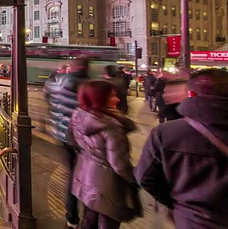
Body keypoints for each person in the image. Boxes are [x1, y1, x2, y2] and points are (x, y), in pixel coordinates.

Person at [136, 69, 228, 228]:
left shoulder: (166, 133)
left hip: (192, 220)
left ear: (190, 94)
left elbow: (146, 178)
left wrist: (176, 203)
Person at [68, 80, 142, 228]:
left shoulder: (78, 117)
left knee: (89, 220)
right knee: (108, 223)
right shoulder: (112, 127)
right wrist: (137, 180)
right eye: (112, 96)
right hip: (108, 186)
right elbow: (120, 165)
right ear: (100, 99)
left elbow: (72, 141)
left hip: (86, 177)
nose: (118, 99)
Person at [45, 57, 90, 228]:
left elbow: (48, 93)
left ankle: (71, 216)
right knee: (87, 177)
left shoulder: (60, 84)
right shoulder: (88, 86)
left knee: (72, 175)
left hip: (63, 135)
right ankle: (87, 215)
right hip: (83, 139)